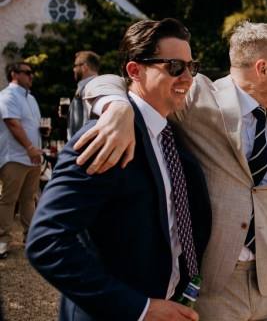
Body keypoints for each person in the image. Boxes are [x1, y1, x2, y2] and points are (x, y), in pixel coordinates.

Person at [75, 21, 267, 321]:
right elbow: (106, 81)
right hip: (216, 287)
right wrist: (117, 106)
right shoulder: (197, 97)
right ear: (262, 69)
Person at [25, 18, 212, 320]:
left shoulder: (172, 137)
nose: (188, 78)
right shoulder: (106, 138)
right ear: (135, 71)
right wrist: (140, 309)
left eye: (192, 66)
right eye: (175, 66)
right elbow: (46, 241)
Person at [0, 62, 43, 259]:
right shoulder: (8, 96)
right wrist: (29, 147)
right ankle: (3, 241)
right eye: (27, 72)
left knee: (29, 199)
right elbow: (12, 123)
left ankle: (30, 239)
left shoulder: (31, 99)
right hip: (16, 157)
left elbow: (29, 125)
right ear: (13, 74)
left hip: (32, 158)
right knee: (8, 200)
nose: (31, 76)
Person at [60, 51, 100, 140]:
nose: (73, 69)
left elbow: (90, 121)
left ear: (84, 67)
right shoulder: (90, 86)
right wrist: (70, 114)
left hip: (83, 147)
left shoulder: (91, 87)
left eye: (75, 66)